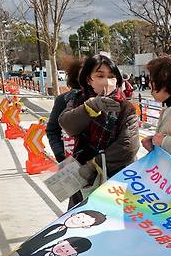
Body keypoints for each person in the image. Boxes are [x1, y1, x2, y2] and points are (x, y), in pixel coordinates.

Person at [59, 52, 140, 202]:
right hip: (81, 175)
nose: (107, 81)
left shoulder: (126, 107)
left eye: (111, 76)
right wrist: (89, 107)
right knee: (81, 219)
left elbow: (128, 146)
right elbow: (67, 124)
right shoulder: (78, 100)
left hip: (116, 179)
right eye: (100, 76)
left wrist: (95, 163)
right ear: (89, 79)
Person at [46, 58, 83, 162]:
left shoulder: (100, 100)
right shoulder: (63, 100)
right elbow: (52, 130)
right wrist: (60, 154)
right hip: (69, 161)